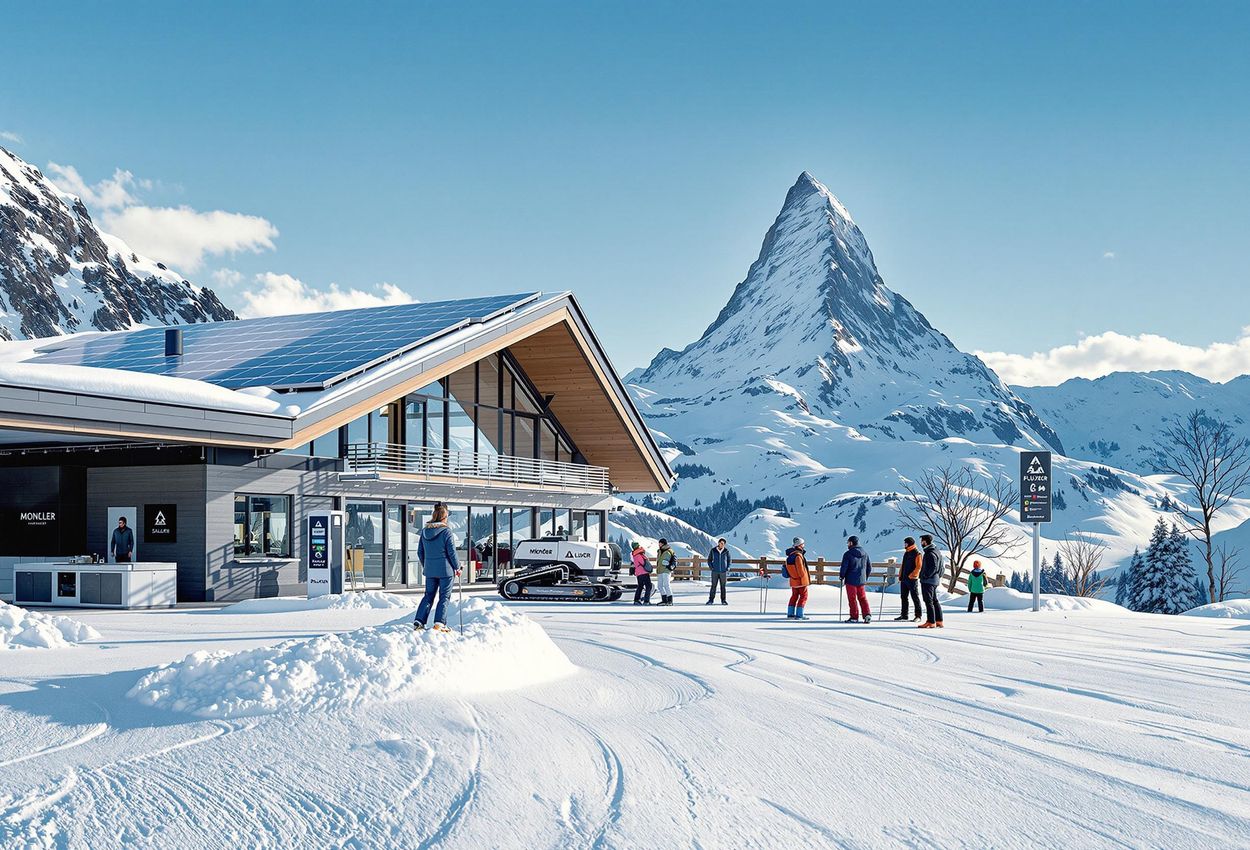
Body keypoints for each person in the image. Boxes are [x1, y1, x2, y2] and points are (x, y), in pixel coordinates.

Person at [414, 504, 461, 632]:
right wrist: (458, 567)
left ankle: (419, 621)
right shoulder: (446, 532)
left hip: (430, 570)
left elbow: (420, 552)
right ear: (444, 517)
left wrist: (427, 565)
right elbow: (451, 552)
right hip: (446, 571)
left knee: (428, 595)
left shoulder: (424, 532)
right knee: (444, 597)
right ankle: (439, 623)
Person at [839, 535, 873, 623]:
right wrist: (865, 577)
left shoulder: (848, 554)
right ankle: (867, 614)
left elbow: (844, 567)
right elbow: (869, 567)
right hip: (861, 580)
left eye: (848, 542)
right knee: (862, 598)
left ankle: (854, 617)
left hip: (850, 580)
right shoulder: (865, 553)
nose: (847, 544)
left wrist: (842, 576)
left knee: (852, 599)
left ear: (851, 543)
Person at [918, 533, 944, 629]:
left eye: (922, 541)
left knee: (928, 601)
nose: (921, 543)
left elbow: (933, 567)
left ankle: (931, 621)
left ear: (925, 541)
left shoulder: (930, 553)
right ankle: (939, 620)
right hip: (934, 579)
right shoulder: (936, 551)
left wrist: (925, 576)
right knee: (934, 600)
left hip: (928, 580)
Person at [895, 536, 923, 622]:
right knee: (903, 597)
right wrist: (900, 575)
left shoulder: (917, 553)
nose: (904, 545)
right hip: (904, 579)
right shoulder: (906, 553)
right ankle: (904, 615)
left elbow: (919, 566)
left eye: (905, 543)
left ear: (909, 544)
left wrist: (912, 575)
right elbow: (903, 565)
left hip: (912, 579)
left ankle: (918, 615)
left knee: (915, 597)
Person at [784, 537, 811, 620]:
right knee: (803, 596)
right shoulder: (798, 556)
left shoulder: (790, 556)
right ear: (799, 545)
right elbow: (800, 570)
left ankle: (790, 613)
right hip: (800, 580)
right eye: (803, 544)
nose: (804, 546)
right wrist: (803, 577)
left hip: (793, 580)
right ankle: (799, 614)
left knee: (794, 596)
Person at [706, 538, 731, 605]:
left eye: (723, 544)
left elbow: (729, 560)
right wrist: (711, 567)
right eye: (720, 543)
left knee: (723, 587)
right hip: (715, 572)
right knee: (713, 586)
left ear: (724, 544)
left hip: (723, 572)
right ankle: (711, 600)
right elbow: (709, 560)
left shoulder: (726, 551)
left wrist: (727, 568)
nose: (721, 544)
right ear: (718, 543)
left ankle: (723, 600)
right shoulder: (713, 550)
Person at [655, 538, 677, 606]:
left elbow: (674, 560)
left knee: (666, 585)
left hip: (666, 570)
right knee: (659, 586)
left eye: (660, 543)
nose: (659, 544)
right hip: (660, 570)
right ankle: (664, 600)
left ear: (663, 543)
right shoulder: (659, 551)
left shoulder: (670, 551)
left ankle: (670, 600)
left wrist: (669, 566)